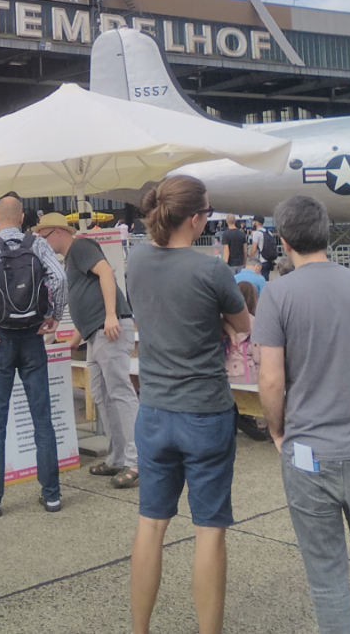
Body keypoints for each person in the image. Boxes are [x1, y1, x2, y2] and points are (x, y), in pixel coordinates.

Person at [255, 195, 350, 634]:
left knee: (327, 578)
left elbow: (270, 380)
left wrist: (277, 432)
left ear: (283, 240)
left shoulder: (278, 295)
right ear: (326, 232)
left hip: (308, 450)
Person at [127, 175, 249, 634]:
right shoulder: (211, 270)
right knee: (209, 529)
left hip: (155, 410)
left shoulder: (136, 261)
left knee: (151, 525)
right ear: (196, 219)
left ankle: (139, 628)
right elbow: (243, 323)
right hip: (205, 410)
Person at [0, 192, 67, 518]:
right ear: (23, 218)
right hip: (33, 338)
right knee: (42, 419)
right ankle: (51, 496)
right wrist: (54, 314)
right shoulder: (36, 243)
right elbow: (60, 277)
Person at [34, 212, 139, 488]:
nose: (43, 243)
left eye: (43, 237)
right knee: (104, 395)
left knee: (119, 393)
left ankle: (136, 459)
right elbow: (89, 296)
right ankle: (118, 456)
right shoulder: (73, 257)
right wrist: (75, 339)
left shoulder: (80, 246)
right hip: (96, 333)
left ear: (57, 232)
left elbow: (106, 272)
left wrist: (111, 314)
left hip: (108, 330)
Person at [224, 281, 268, 442]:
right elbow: (258, 357)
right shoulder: (253, 322)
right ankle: (262, 423)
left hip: (225, 373)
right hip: (246, 375)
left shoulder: (224, 321)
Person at [248, 215, 274, 280]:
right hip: (269, 260)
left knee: (259, 280)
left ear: (257, 222)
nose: (252, 223)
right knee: (266, 280)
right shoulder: (269, 232)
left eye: (253, 221)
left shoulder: (256, 233)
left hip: (261, 260)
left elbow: (254, 248)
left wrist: (250, 258)